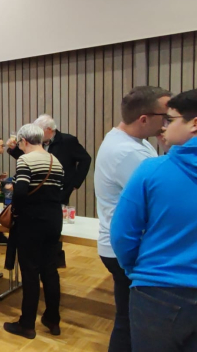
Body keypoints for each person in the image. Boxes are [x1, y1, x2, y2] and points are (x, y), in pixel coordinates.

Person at [111, 89, 197, 352]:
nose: (164, 126)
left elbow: (122, 235)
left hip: (159, 288)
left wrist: (136, 269)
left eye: (170, 120)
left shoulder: (153, 170)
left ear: (194, 123)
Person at [94, 85, 172, 352]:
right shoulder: (129, 152)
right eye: (166, 116)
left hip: (121, 242)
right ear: (144, 119)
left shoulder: (130, 142)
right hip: (127, 245)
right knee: (131, 321)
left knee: (128, 318)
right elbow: (161, 197)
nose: (169, 122)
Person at [3, 124, 65, 340]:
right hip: (54, 219)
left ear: (24, 141)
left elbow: (20, 193)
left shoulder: (25, 160)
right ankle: (53, 319)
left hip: (31, 222)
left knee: (30, 272)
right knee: (50, 271)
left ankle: (27, 324)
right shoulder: (55, 160)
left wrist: (17, 211)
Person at [7, 114, 91, 268]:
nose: (37, 133)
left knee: (53, 225)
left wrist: (75, 183)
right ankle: (45, 261)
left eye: (39, 130)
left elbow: (86, 159)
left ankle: (54, 258)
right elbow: (28, 158)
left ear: (50, 130)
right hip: (37, 191)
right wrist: (13, 149)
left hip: (58, 189)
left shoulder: (67, 141)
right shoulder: (38, 144)